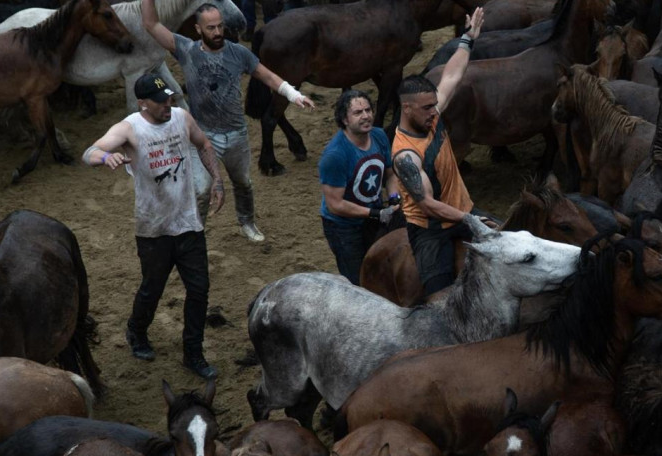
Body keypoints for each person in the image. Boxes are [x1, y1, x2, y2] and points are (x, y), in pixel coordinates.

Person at [82, 73, 226, 380]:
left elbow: (203, 144)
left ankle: (193, 353)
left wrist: (217, 180)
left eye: (170, 98)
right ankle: (136, 330)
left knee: (199, 290)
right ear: (142, 103)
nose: (168, 104)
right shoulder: (130, 127)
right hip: (153, 228)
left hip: (188, 223)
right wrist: (106, 157)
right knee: (153, 287)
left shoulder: (182, 118)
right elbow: (89, 152)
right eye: (160, 101)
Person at [141, 0, 315, 242]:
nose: (218, 32)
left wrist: (293, 94)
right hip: (202, 136)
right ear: (199, 29)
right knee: (201, 189)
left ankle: (247, 222)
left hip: (236, 134)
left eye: (220, 26)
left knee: (243, 183)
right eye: (211, 28)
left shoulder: (238, 52)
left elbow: (267, 76)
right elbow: (150, 24)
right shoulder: (186, 49)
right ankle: (195, 232)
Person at [392, 7, 487, 298]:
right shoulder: (405, 155)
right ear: (407, 109)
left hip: (463, 210)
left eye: (435, 105)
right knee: (441, 297)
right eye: (427, 108)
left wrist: (467, 39)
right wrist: (469, 220)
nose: (436, 111)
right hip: (431, 230)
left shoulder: (429, 113)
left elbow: (452, 76)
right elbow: (429, 205)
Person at [319, 90, 401, 284]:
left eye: (368, 110)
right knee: (358, 282)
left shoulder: (379, 136)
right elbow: (335, 204)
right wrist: (376, 213)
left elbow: (389, 173)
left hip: (374, 216)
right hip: (344, 228)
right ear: (344, 120)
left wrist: (394, 199)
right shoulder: (335, 155)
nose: (366, 116)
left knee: (381, 271)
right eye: (357, 112)